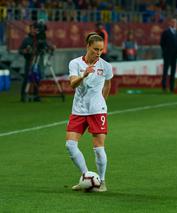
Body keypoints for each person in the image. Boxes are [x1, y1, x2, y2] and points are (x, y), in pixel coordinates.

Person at [65, 32, 113, 192]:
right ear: (87, 46)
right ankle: (87, 177)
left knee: (99, 148)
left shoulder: (105, 66)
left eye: (101, 50)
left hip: (97, 111)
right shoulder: (75, 63)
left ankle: (102, 181)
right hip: (78, 110)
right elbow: (72, 85)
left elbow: (108, 85)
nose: (98, 53)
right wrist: (84, 75)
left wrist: (102, 102)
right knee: (70, 145)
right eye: (95, 49)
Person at [18, 23, 40, 102]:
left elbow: (43, 46)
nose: (33, 30)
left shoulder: (39, 39)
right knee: (27, 78)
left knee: (37, 78)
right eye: (32, 29)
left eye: (35, 29)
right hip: (29, 61)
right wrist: (25, 51)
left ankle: (36, 95)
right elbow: (20, 50)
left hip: (37, 61)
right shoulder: (27, 39)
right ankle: (23, 95)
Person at [160, 18, 177, 93]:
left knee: (173, 71)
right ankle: (164, 87)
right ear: (170, 23)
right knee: (165, 71)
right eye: (173, 22)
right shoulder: (166, 32)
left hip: (175, 55)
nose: (174, 24)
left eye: (175, 22)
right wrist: (165, 51)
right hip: (167, 54)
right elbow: (162, 43)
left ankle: (172, 87)